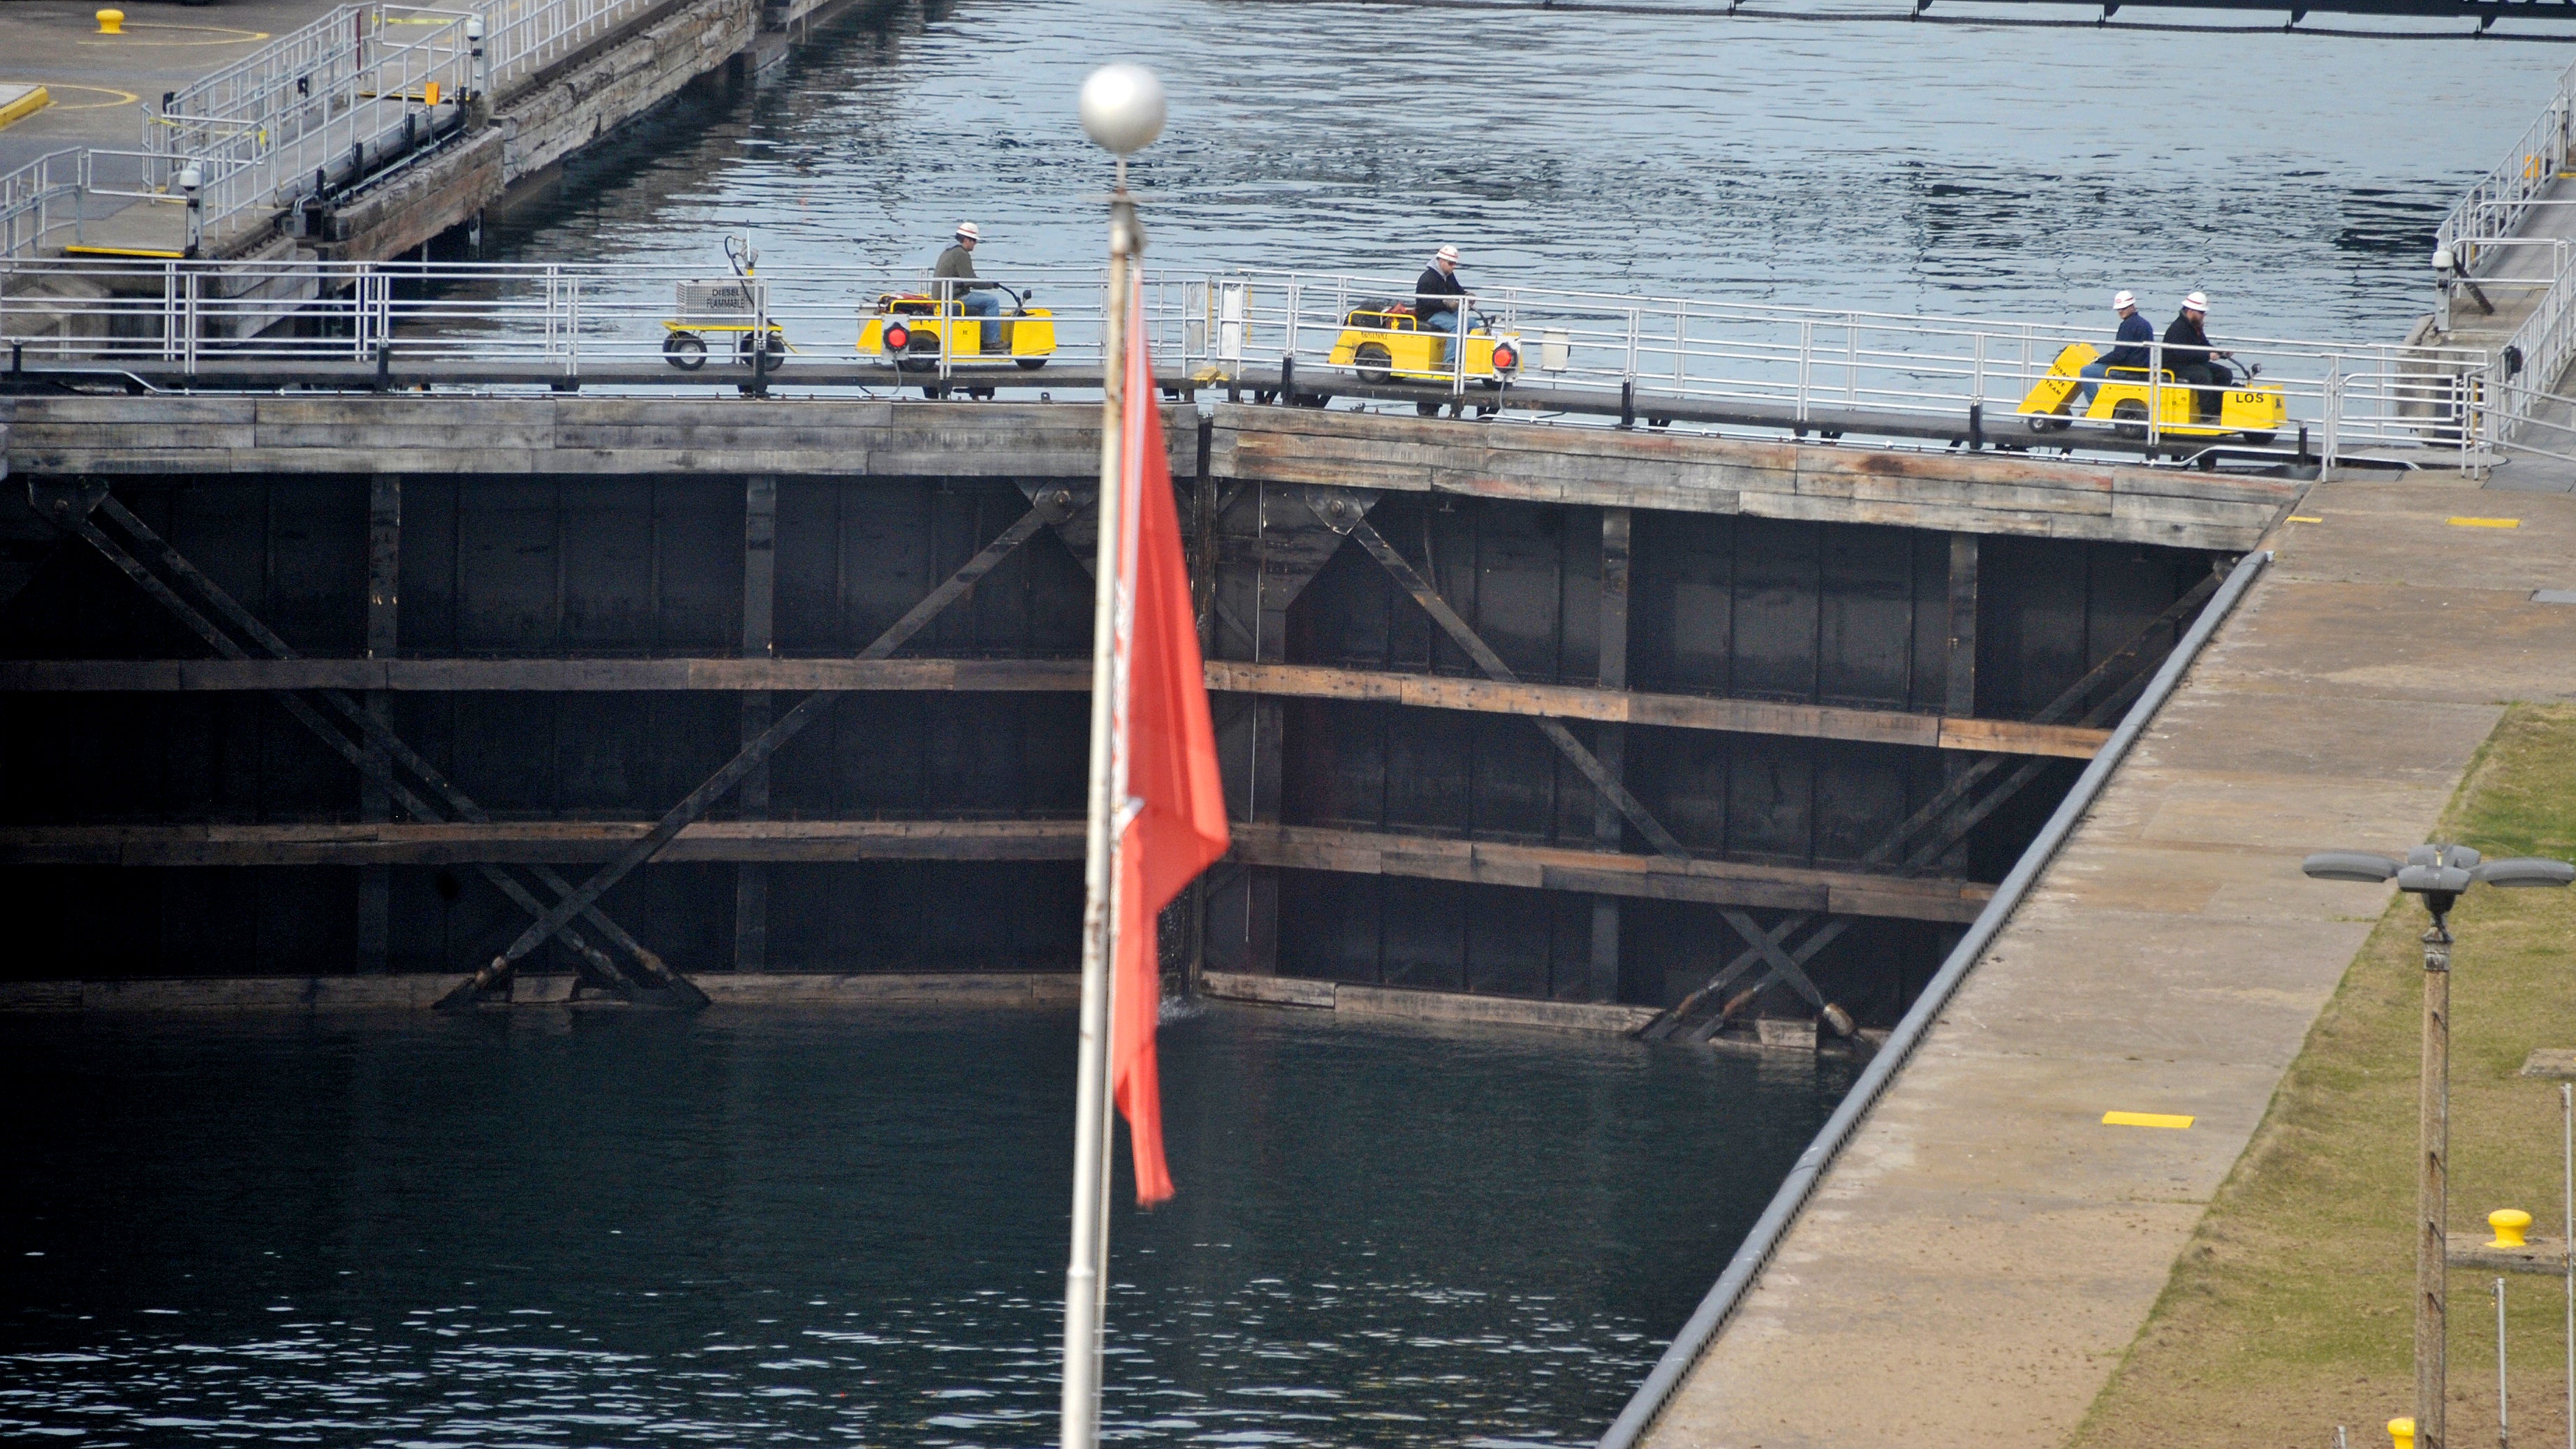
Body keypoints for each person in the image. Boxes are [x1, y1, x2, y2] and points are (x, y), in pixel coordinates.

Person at [2065, 290, 2151, 415]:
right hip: (2141, 368)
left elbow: (2120, 355)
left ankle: (2096, 408)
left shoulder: (2128, 326)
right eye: (2119, 309)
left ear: (2132, 306)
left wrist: (2099, 360)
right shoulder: (2144, 324)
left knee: (2087, 371)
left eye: (2124, 308)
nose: (2121, 311)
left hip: (2128, 370)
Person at [933, 223, 1006, 354]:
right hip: (953, 298)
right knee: (992, 302)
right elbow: (970, 281)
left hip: (943, 297)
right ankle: (992, 342)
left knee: (981, 305)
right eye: (974, 241)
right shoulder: (961, 254)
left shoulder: (949, 251)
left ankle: (983, 339)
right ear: (966, 240)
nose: (975, 244)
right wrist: (991, 284)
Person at [2163, 291, 2232, 420]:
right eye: (2201, 313)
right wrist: (2208, 355)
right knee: (2203, 376)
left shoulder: (2195, 326)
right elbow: (2182, 354)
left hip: (2191, 363)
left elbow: (2204, 345)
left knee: (2225, 373)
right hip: (2175, 366)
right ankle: (2206, 415)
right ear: (2190, 311)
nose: (2203, 316)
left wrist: (2220, 353)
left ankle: (2219, 409)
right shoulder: (2177, 329)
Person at [1414, 244, 1469, 369]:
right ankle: (1449, 362)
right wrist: (1445, 303)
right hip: (1429, 314)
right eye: (1451, 263)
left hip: (1444, 311)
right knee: (1457, 325)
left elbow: (1457, 289)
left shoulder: (1448, 275)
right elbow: (1424, 302)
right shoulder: (1427, 279)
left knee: (1471, 323)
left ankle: (1467, 358)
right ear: (1441, 261)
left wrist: (1466, 295)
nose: (1453, 267)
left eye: (1454, 264)